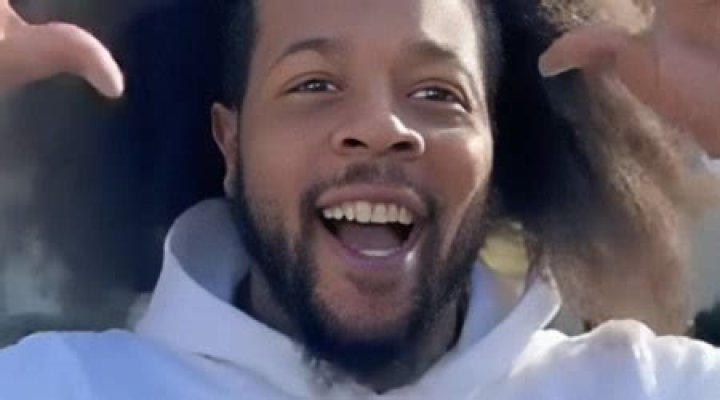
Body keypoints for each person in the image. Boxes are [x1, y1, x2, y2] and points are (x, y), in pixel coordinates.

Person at [0, 0, 717, 399]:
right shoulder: (58, 387)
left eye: (438, 92)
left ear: (497, 150)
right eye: (313, 84)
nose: (381, 127)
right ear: (230, 143)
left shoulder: (648, 388)